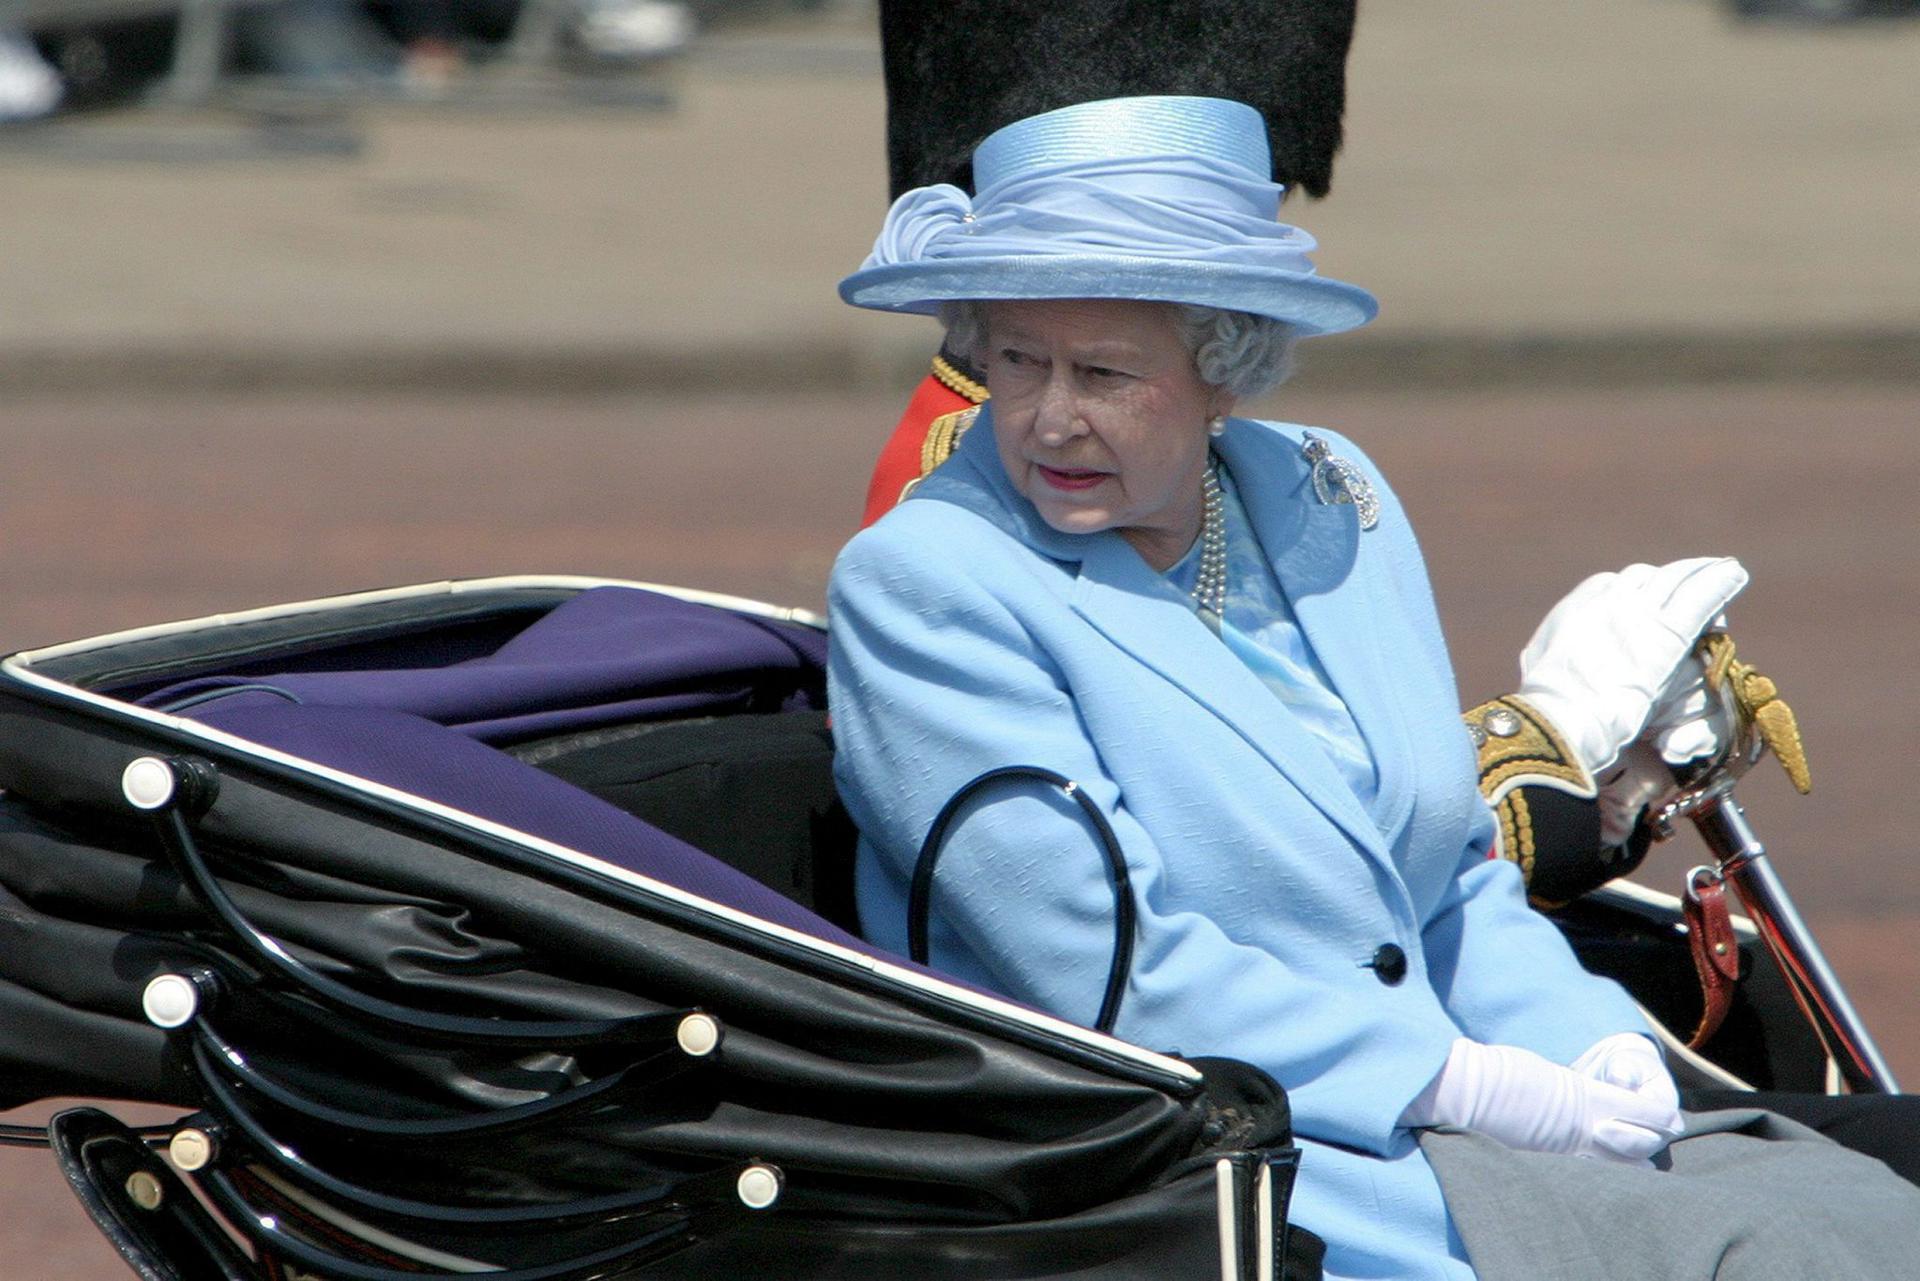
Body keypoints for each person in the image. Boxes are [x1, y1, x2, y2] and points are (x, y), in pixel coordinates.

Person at [827, 95, 1920, 1278]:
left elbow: (1443, 879)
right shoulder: (927, 581)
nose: (1049, 415)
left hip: (1453, 1118)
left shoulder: (1330, 494)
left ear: (1222, 364)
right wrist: (1459, 1082)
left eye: (1104, 370)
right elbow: (1112, 973)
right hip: (1194, 1162)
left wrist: (1589, 1043)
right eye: (1016, 360)